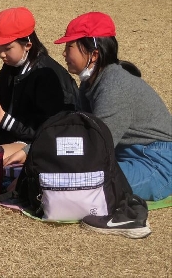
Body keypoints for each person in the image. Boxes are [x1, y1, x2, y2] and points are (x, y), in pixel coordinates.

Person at [51, 12, 171, 201]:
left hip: (156, 162)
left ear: (94, 54)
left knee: (78, 182)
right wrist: (32, 152)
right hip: (124, 156)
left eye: (70, 46)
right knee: (62, 177)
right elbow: (81, 133)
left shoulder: (115, 85)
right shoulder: (90, 82)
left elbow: (96, 146)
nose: (64, 53)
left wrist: (47, 159)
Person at [0, 7, 78, 170]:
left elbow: (47, 132)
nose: (2, 54)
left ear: (27, 45)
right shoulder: (12, 66)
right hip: (7, 135)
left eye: (7, 48)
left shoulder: (47, 77)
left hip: (33, 144)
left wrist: (4, 121)